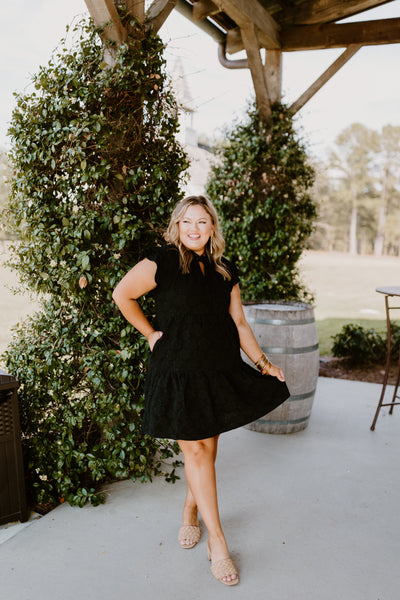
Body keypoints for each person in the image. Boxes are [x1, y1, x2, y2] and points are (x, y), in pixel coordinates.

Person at [112, 195, 290, 586]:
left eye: (202, 223)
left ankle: (190, 511)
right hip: (176, 370)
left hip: (217, 368)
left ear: (213, 228)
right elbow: (121, 295)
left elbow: (239, 323)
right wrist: (151, 334)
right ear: (177, 225)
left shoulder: (224, 269)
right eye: (187, 222)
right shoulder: (161, 261)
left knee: (206, 449)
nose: (194, 229)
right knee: (194, 448)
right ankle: (219, 543)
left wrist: (263, 363)